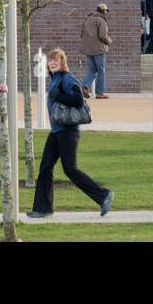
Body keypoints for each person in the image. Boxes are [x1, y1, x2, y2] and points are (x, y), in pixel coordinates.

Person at [29, 48, 112, 219]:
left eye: (56, 61)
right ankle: (43, 208)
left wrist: (58, 96)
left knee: (70, 170)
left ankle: (103, 195)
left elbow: (78, 99)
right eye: (50, 61)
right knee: (45, 168)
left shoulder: (67, 79)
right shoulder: (55, 80)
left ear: (62, 63)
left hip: (68, 131)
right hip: (57, 131)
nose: (52, 63)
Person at [79, 2, 111, 99]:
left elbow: (81, 34)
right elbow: (103, 36)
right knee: (101, 70)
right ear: (103, 11)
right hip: (98, 49)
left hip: (88, 49)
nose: (106, 13)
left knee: (92, 69)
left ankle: (84, 86)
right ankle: (99, 93)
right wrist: (109, 41)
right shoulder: (101, 21)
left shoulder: (87, 19)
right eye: (106, 11)